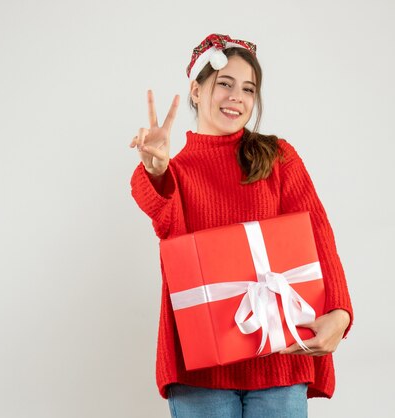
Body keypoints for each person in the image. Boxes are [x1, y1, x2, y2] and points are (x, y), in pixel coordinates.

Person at [128, 33, 353, 418]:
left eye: (248, 89)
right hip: (201, 369)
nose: (237, 97)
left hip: (279, 358)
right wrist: (157, 171)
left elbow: (318, 233)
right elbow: (165, 221)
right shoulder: (175, 172)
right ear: (196, 91)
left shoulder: (278, 157)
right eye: (225, 84)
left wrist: (340, 310)